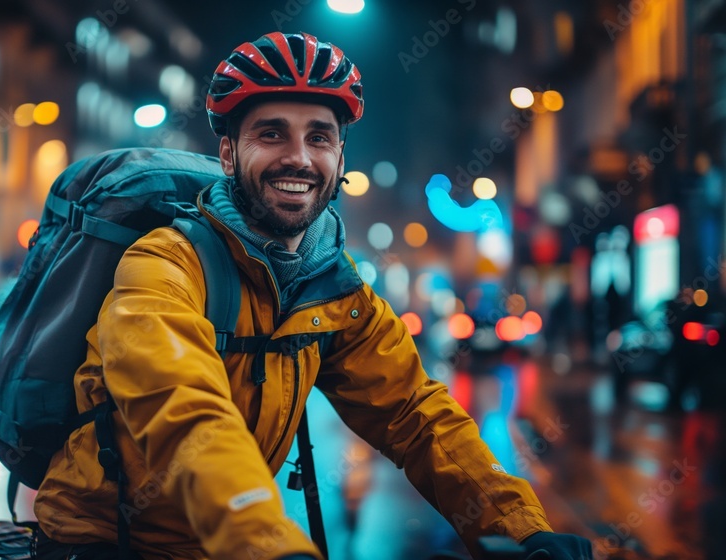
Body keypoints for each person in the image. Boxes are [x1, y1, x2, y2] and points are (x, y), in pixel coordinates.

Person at [33, 31, 593, 560]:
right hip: (109, 542)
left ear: (340, 159)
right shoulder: (165, 264)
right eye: (271, 133)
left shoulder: (332, 286)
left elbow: (415, 415)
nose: (299, 158)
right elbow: (185, 415)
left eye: (319, 137)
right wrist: (264, 538)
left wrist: (521, 533)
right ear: (228, 155)